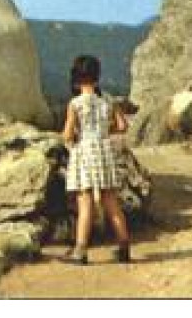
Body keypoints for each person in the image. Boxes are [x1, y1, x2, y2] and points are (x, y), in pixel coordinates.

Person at [61, 54, 132, 264]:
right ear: (97, 76)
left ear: (76, 78)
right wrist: (103, 130)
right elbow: (122, 126)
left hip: (84, 152)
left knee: (85, 202)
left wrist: (76, 134)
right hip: (104, 150)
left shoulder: (75, 104)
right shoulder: (108, 100)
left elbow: (66, 135)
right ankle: (124, 247)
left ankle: (80, 251)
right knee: (111, 200)